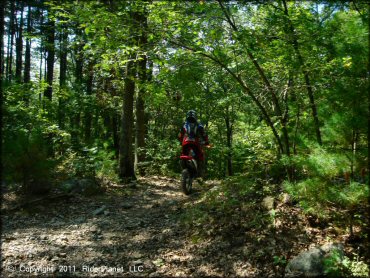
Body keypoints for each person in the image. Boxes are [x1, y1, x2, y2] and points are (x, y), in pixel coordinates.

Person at [178, 110, 209, 178]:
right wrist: (206, 142)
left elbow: (180, 135)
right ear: (195, 116)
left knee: (183, 155)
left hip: (185, 142)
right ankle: (199, 173)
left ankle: (184, 170)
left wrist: (181, 141)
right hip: (195, 143)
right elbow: (204, 135)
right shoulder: (199, 125)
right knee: (200, 156)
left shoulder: (184, 124)